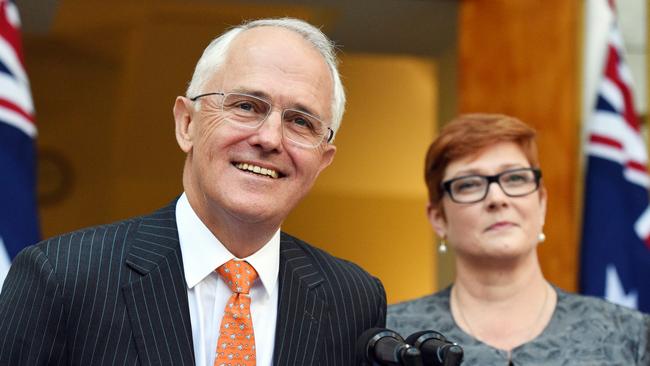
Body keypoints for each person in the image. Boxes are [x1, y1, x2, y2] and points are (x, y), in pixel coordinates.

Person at [0, 18, 386, 366]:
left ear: (323, 159)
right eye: (247, 106)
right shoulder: (62, 278)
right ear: (187, 124)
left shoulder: (353, 299)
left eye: (300, 121)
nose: (269, 138)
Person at [387, 114, 650, 365]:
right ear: (438, 218)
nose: (497, 198)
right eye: (469, 184)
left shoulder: (631, 335)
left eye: (515, 178)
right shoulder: (393, 338)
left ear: (542, 204)